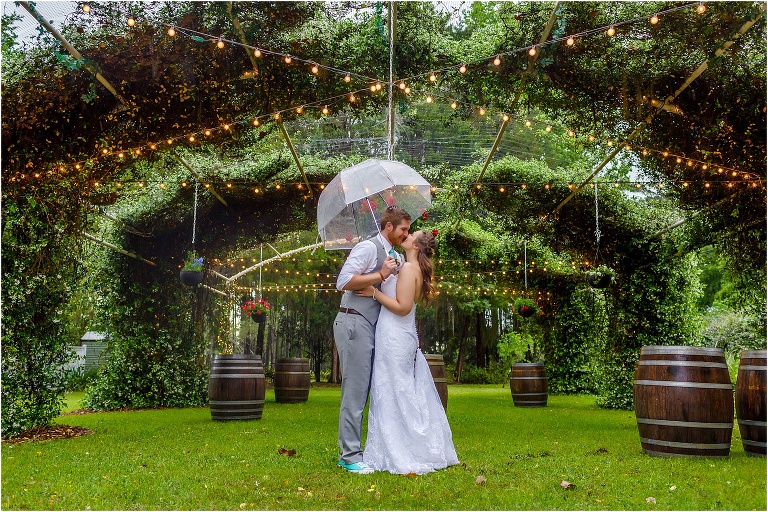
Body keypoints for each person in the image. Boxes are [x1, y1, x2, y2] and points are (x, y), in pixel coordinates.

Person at [356, 230, 459, 475]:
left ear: (417, 245)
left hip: (395, 333)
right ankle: (398, 445)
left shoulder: (410, 269)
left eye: (413, 234)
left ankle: (404, 449)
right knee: (393, 388)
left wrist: (374, 293)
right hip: (398, 335)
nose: (408, 233)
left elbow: (402, 308)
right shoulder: (409, 267)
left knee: (394, 389)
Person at [334, 205, 411, 474]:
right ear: (388, 226)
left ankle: (357, 450)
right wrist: (380, 275)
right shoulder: (367, 248)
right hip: (353, 321)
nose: (406, 234)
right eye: (403, 229)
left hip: (371, 327)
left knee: (365, 390)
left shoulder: (394, 255)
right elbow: (342, 281)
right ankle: (349, 456)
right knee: (354, 391)